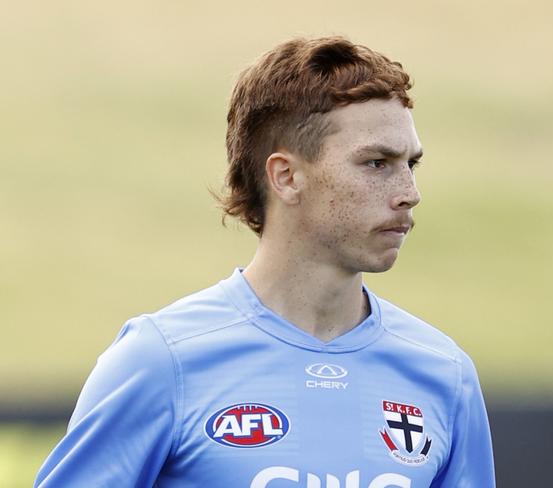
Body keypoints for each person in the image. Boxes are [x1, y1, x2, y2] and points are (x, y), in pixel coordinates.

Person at [35, 36, 495, 487]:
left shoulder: (443, 373)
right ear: (287, 176)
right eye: (377, 163)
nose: (409, 193)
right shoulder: (162, 360)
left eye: (410, 165)